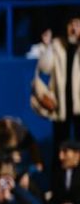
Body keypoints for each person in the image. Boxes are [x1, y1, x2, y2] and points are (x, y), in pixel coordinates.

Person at [32, 16, 80, 152]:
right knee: (60, 145)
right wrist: (47, 47)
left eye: (77, 24)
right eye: (70, 24)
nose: (73, 29)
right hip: (61, 105)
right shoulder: (56, 45)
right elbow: (44, 69)